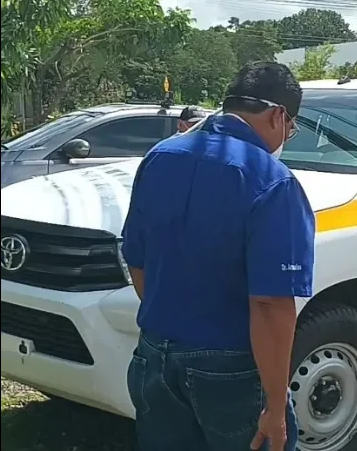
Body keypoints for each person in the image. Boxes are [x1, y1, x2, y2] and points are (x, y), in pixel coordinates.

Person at [120, 61, 314, 451]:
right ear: (279, 115)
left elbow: (136, 259)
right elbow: (270, 304)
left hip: (154, 356)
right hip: (230, 371)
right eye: (290, 126)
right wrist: (276, 407)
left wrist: (174, 328)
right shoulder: (272, 180)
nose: (286, 135)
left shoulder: (159, 156)